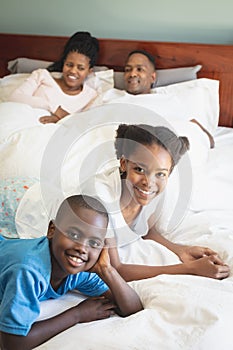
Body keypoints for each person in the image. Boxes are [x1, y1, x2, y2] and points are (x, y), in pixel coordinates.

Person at [86, 124, 229, 282]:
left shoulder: (154, 189)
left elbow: (147, 230)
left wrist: (181, 250)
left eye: (160, 173)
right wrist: (190, 269)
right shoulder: (100, 199)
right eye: (140, 169)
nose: (148, 182)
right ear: (124, 164)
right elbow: (115, 268)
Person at [0, 194, 142, 350]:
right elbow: (13, 343)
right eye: (74, 234)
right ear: (52, 230)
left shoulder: (80, 271)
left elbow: (132, 309)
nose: (82, 248)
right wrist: (77, 314)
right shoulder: (27, 270)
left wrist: (107, 270)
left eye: (93, 243)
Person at [9, 31, 99, 124]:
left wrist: (59, 120)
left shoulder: (91, 96)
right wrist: (55, 109)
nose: (73, 71)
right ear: (64, 63)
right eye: (69, 65)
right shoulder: (42, 76)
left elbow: (84, 125)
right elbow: (15, 98)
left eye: (81, 68)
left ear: (89, 71)